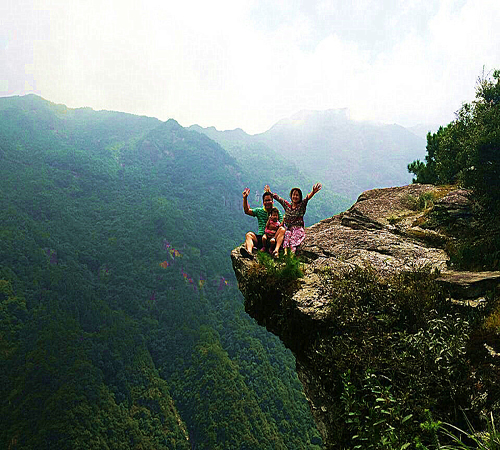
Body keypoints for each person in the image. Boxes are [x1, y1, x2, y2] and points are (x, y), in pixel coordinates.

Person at [265, 183, 322, 254]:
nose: (295, 196)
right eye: (293, 195)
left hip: (297, 228)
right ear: (291, 196)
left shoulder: (301, 206)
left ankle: (291, 256)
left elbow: (307, 198)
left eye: (297, 195)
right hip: (288, 228)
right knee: (287, 236)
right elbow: (279, 199)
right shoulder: (287, 205)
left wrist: (313, 192)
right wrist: (270, 193)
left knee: (293, 241)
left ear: (300, 197)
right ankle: (285, 254)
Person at [241, 188, 285, 259]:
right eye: (265, 201)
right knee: (249, 235)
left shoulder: (276, 212)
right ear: (263, 202)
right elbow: (247, 211)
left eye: (269, 200)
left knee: (282, 229)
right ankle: (249, 253)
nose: (267, 202)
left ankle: (276, 251)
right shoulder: (259, 211)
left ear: (272, 202)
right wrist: (245, 198)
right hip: (262, 238)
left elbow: (281, 225)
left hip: (273, 240)